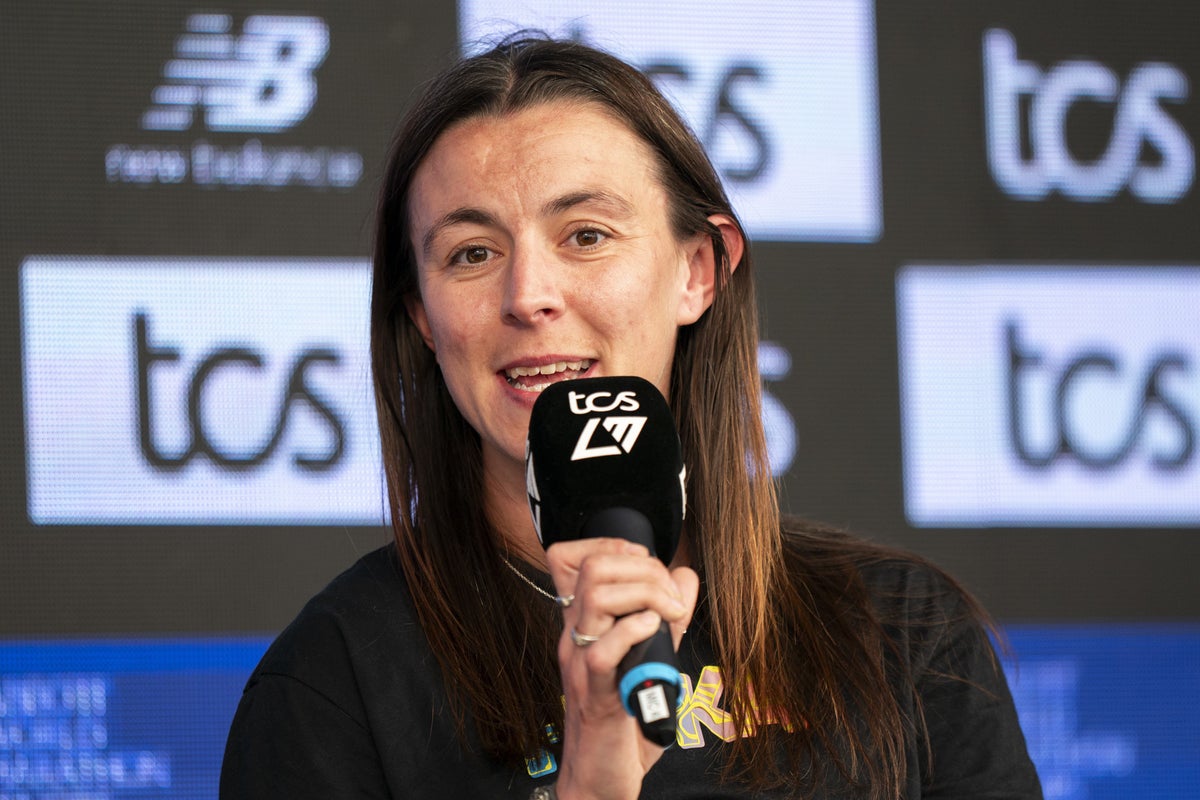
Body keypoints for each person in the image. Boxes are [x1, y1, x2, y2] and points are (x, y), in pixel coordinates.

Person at [220, 36, 1042, 800]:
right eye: (473, 253)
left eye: (585, 235)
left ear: (697, 271)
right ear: (424, 319)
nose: (528, 296)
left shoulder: (903, 630)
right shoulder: (332, 682)